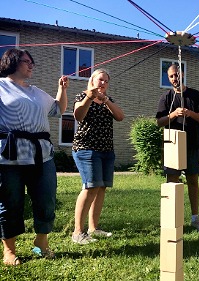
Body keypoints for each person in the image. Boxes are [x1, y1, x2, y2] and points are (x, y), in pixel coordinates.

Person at [0, 48, 69, 265]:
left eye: (32, 62)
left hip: (42, 155)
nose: (31, 65)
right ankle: (9, 251)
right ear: (11, 62)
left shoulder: (36, 91)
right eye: (26, 61)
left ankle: (41, 243)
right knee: (10, 201)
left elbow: (58, 109)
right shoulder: (1, 87)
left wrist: (61, 89)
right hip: (9, 156)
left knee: (46, 199)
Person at [71, 69, 124, 244]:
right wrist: (90, 97)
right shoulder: (81, 97)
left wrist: (106, 100)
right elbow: (78, 116)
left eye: (106, 81)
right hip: (86, 148)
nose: (103, 83)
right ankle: (78, 232)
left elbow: (120, 117)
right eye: (100, 80)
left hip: (106, 150)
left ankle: (94, 228)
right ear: (92, 81)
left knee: (101, 188)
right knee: (91, 187)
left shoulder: (108, 101)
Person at [156, 64, 199, 232]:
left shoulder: (195, 95)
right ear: (168, 78)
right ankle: (173, 218)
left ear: (183, 74)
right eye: (171, 76)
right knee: (172, 181)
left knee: (193, 180)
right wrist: (173, 115)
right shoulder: (166, 97)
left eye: (177, 75)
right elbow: (159, 122)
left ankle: (195, 218)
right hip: (173, 145)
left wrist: (189, 113)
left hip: (192, 144)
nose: (174, 78)